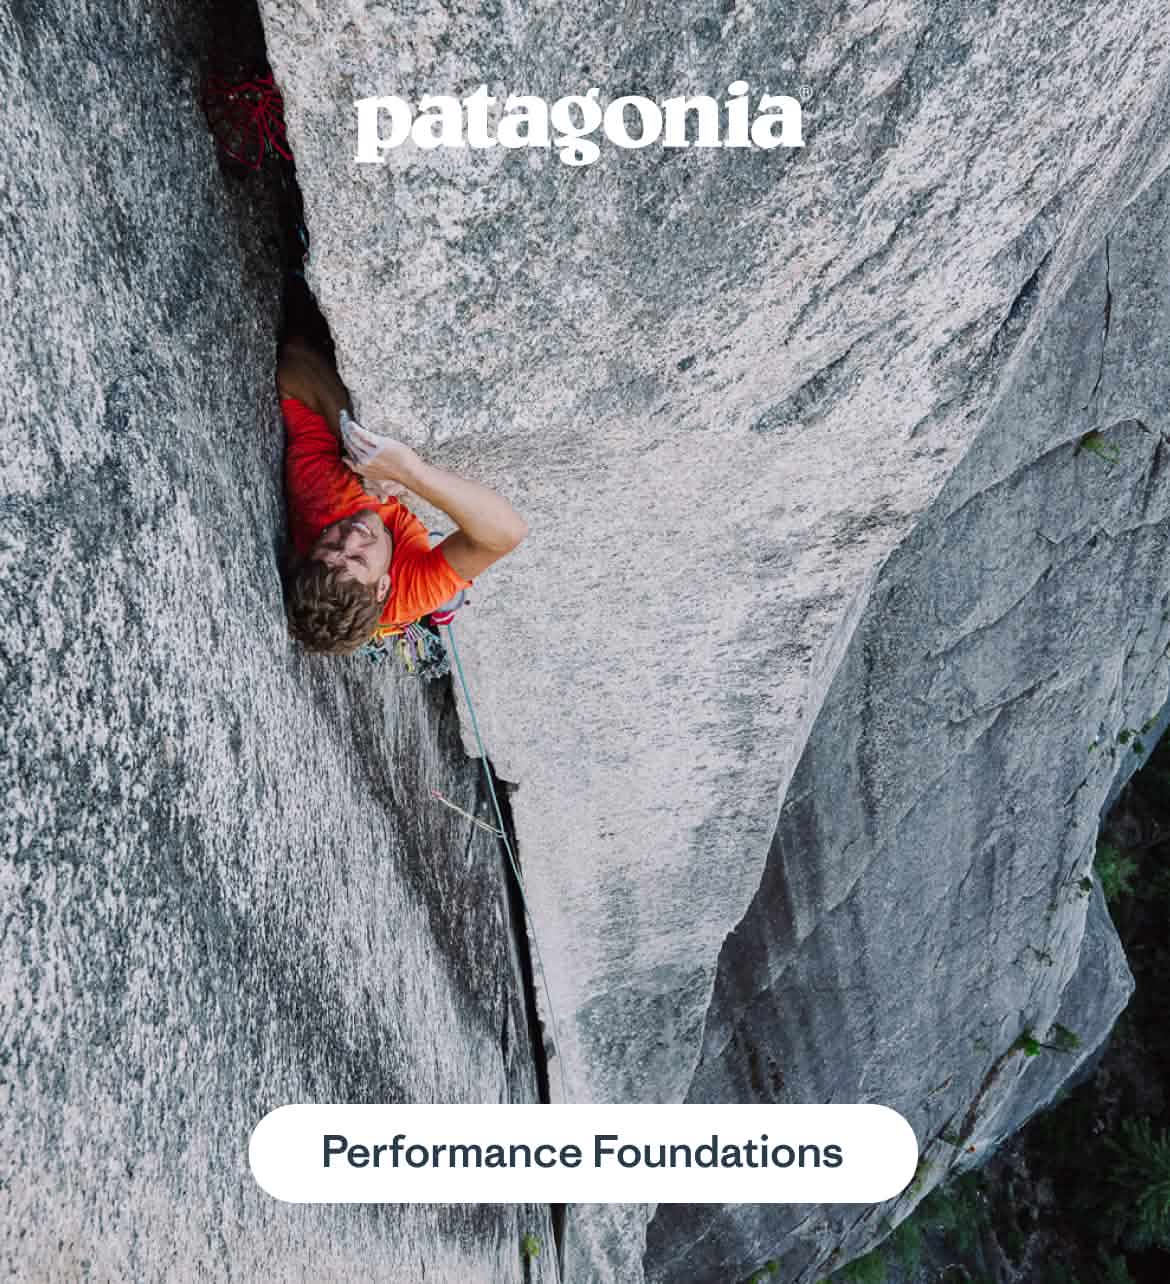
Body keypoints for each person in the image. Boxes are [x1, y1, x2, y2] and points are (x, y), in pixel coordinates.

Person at [276, 334, 527, 656]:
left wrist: (358, 444)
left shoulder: (323, 498)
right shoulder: (409, 590)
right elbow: (507, 532)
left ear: (312, 550)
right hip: (401, 598)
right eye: (356, 558)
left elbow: (293, 362)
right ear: (384, 586)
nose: (351, 537)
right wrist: (408, 472)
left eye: (332, 544)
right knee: (441, 600)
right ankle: (422, 619)